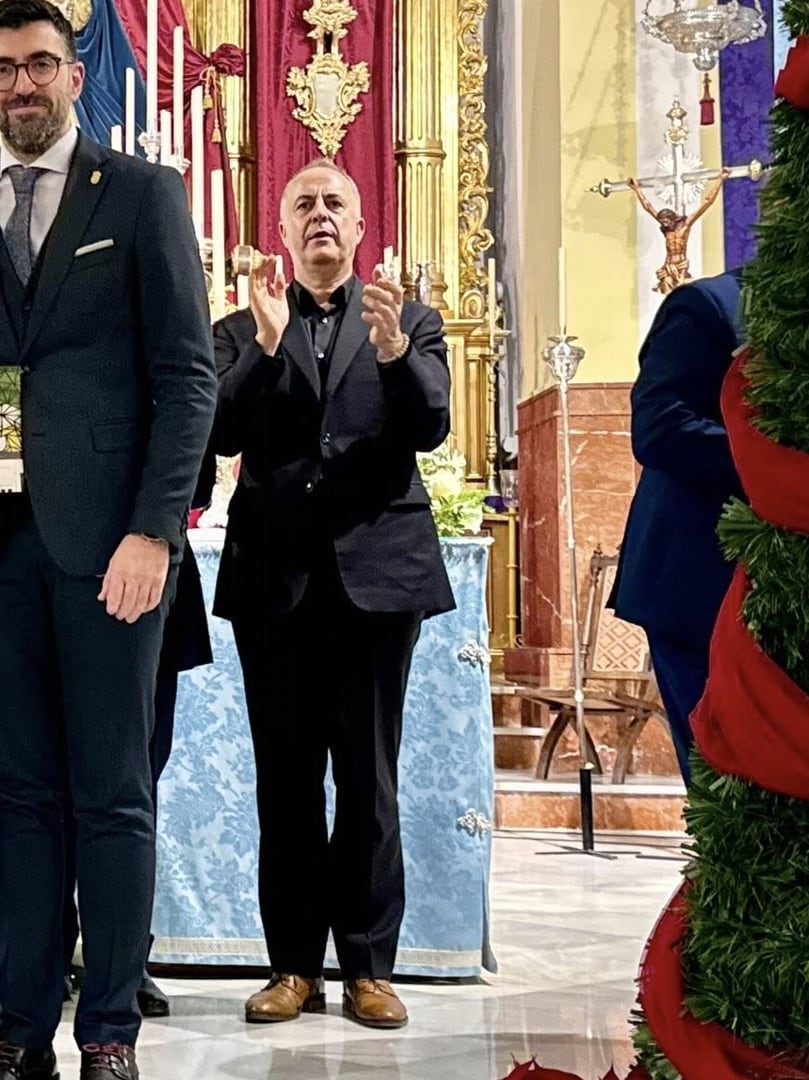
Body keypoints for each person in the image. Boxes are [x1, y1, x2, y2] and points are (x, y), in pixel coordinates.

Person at [0, 3, 217, 1076]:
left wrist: (154, 531)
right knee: (17, 799)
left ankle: (109, 1033)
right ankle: (17, 1032)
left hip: (113, 556)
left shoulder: (142, 195)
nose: (23, 84)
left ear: (75, 73)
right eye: (2, 69)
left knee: (111, 793)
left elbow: (187, 378)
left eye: (41, 62)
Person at [208, 159, 454, 1031]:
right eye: (303, 204)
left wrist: (393, 358)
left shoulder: (409, 320)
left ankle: (369, 969)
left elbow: (429, 424)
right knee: (285, 781)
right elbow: (219, 429)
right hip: (275, 580)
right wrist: (268, 351)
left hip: (378, 579)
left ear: (359, 228)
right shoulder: (242, 329)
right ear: (282, 231)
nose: (319, 216)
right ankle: (292, 968)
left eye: (334, 204)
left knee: (369, 779)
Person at [61, 451, 218, 1020]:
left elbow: (197, 464)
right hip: (36, 565)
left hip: (144, 571)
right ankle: (49, 951)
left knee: (133, 784)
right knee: (41, 788)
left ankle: (126, 964)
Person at [610, 269, 746, 785]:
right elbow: (660, 426)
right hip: (698, 580)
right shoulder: (712, 304)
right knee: (724, 784)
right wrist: (782, 462)